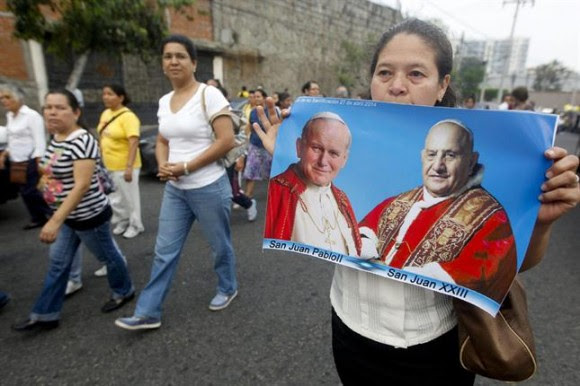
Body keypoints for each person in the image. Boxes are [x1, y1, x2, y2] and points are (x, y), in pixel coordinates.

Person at [252, 18, 580, 385]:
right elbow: (335, 225)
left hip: (431, 347)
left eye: (416, 74)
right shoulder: (390, 193)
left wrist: (543, 220)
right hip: (350, 327)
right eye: (385, 72)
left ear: (443, 86)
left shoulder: (484, 208)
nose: (396, 86)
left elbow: (515, 264)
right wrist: (290, 162)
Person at [115, 34, 238, 331]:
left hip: (209, 186)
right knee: (164, 250)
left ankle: (227, 286)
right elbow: (162, 139)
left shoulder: (209, 95)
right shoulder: (164, 101)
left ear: (194, 63)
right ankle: (148, 311)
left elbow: (226, 141)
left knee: (219, 245)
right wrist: (163, 164)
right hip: (176, 190)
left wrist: (185, 166)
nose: (173, 61)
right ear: (162, 64)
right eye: (168, 56)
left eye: (181, 56)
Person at [12, 89, 135, 332]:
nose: (52, 112)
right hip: (68, 216)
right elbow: (53, 171)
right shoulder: (56, 137)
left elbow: (82, 185)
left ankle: (124, 290)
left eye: (60, 107)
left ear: (76, 112)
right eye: (48, 107)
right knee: (58, 263)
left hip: (88, 216)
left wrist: (54, 221)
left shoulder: (81, 140)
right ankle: (46, 314)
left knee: (108, 256)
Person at [359, 119, 516, 303]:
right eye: (432, 154)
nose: (438, 166)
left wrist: (386, 272)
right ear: (422, 156)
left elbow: (474, 276)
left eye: (450, 155)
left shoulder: (492, 218)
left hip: (427, 324)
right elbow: (362, 233)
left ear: (471, 161)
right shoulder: (400, 200)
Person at [265, 112, 361, 256]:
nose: (323, 161)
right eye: (316, 148)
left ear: (344, 159)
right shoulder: (275, 191)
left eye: (334, 153)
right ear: (299, 147)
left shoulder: (342, 199)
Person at [0, 85, 52, 229]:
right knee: (24, 192)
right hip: (15, 161)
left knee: (31, 191)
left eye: (7, 97)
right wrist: (5, 153)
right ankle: (38, 218)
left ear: (18, 98)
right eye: (2, 98)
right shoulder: (9, 116)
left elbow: (40, 140)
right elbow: (12, 139)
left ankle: (53, 214)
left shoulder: (31, 116)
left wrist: (38, 160)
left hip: (30, 159)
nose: (3, 101)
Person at [99, 84, 144, 239]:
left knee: (129, 197)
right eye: (104, 94)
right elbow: (102, 137)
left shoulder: (128, 117)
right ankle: (123, 220)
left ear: (121, 97)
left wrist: (129, 167)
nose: (105, 97)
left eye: (110, 94)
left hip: (125, 165)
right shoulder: (106, 113)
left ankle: (136, 225)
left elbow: (133, 142)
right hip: (109, 164)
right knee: (115, 198)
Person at [242, 89, 275, 200]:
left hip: (268, 148)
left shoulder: (271, 112)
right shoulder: (252, 112)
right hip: (254, 145)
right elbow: (250, 128)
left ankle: (274, 198)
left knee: (273, 175)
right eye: (254, 97)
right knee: (250, 172)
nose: (256, 99)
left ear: (264, 98)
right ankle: (248, 197)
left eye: (258, 96)